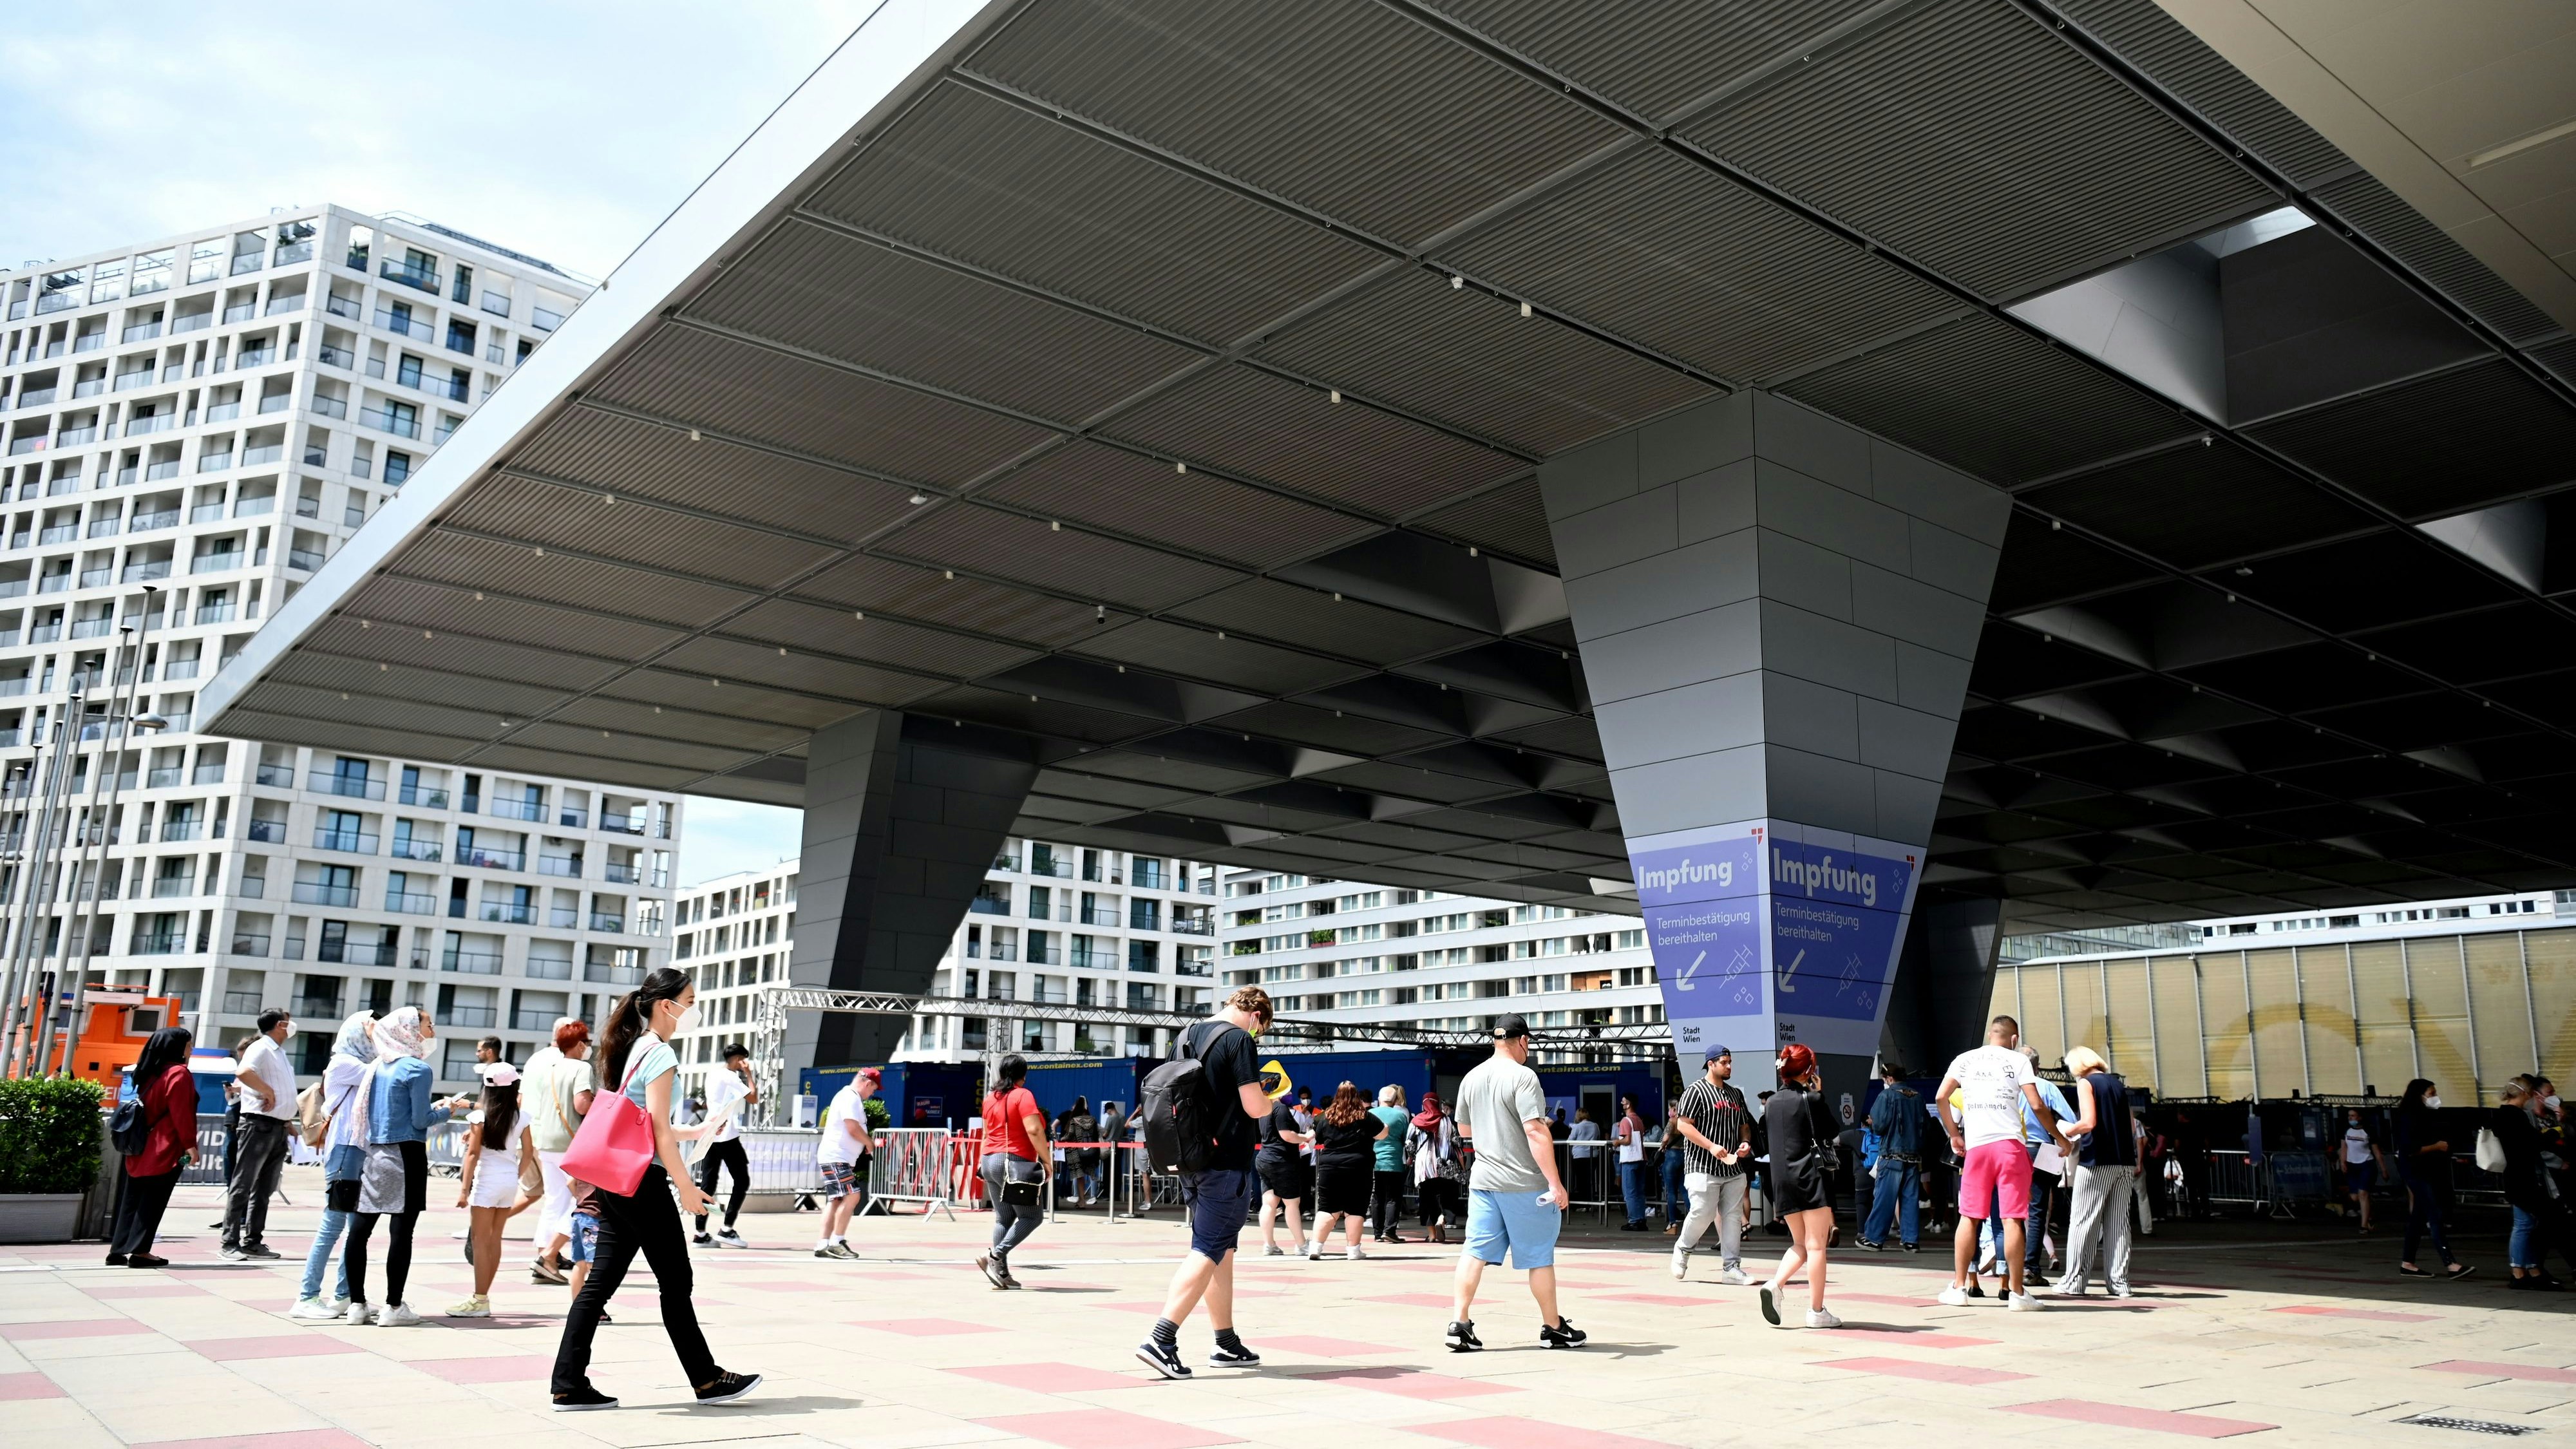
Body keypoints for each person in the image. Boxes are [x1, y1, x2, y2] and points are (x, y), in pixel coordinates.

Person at [551, 967, 760, 1410]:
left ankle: (568, 1383)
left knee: (599, 1284)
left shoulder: (636, 1048)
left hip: (616, 1181)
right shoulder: (661, 1054)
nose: (694, 1009)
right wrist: (685, 1186)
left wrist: (697, 1131)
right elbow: (658, 1129)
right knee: (676, 1280)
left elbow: (644, 1124)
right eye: (690, 999)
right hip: (642, 1184)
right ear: (667, 1005)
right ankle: (706, 1380)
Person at [1135, 985, 1273, 1380]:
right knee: (1208, 1248)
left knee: (1221, 1252)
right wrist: (1274, 1100)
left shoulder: (1186, 1035)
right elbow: (1253, 1106)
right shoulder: (1239, 1039)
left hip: (1192, 1158)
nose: (1258, 1034)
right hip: (1226, 1161)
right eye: (1262, 1028)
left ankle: (1226, 1342)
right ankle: (1161, 1339)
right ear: (1256, 1016)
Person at [1448, 1014, 1584, 1352]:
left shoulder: (1472, 1077)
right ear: (1523, 1041)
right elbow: (1536, 1130)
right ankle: (1553, 1328)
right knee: (1538, 1257)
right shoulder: (1524, 1077)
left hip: (1483, 1181)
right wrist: (1556, 1184)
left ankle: (1459, 1324)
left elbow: (1464, 1131)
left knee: (1474, 1252)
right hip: (1525, 1184)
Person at [340, 1006, 455, 1326]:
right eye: (427, 1024)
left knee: (360, 1231)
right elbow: (421, 1119)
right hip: (406, 1153)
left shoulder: (377, 1067)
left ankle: (357, 1304)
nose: (431, 1029)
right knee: (402, 1233)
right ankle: (393, 1306)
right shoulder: (417, 1069)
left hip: (375, 1152)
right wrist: (446, 1111)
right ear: (409, 1030)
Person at [1933, 1015, 2057, 1311]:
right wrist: (2059, 1139)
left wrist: (1954, 1134)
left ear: (1992, 1034)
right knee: (2012, 1218)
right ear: (2014, 1040)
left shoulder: (1964, 1059)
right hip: (2010, 1148)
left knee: (1969, 1218)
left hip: (1977, 1149)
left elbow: (1941, 1097)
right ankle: (2016, 1293)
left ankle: (1959, 1287)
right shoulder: (2018, 1061)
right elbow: (2037, 1105)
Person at [289, 1011, 375, 1318]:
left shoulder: (359, 1062)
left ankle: (344, 1293)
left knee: (355, 1228)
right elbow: (379, 1073)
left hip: (356, 1148)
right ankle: (307, 1296)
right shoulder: (344, 1062)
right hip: (344, 1149)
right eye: (370, 1030)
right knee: (333, 1224)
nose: (374, 1036)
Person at [1758, 1044, 1841, 1329]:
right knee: (1817, 1246)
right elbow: (1832, 1130)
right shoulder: (1812, 1100)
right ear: (1809, 1071)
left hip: (1782, 1179)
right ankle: (1817, 1311)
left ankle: (1776, 1285)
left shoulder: (1772, 1104)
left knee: (1800, 1243)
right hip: (1809, 1176)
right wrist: (1820, 1094)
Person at [2050, 1047, 2137, 1298]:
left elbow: (2089, 1122)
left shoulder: (2086, 1083)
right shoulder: (2117, 1084)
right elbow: (2131, 1126)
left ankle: (2074, 1282)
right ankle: (2120, 1283)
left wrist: (2066, 1131)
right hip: (2123, 1162)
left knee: (2083, 1222)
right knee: (2118, 1224)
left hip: (2097, 1160)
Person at [450, 1061, 535, 1316]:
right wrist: (515, 1175)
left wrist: (463, 1191)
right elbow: (529, 1153)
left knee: (479, 1240)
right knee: (495, 1238)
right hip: (509, 1182)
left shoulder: (479, 1116)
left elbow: (473, 1154)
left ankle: (480, 1299)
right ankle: (482, 1297)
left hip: (487, 1182)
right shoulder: (522, 1117)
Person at [108, 1027, 196, 1268]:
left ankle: (117, 1251)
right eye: (189, 1045)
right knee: (153, 1200)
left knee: (132, 1199)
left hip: (139, 1146)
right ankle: (140, 1253)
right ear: (177, 1048)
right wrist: (191, 1146)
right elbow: (182, 1114)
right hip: (164, 1147)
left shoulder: (148, 1072)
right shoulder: (179, 1073)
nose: (191, 1049)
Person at [1670, 1044, 1754, 1285]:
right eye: (1724, 1062)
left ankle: (1732, 1267)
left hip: (1733, 1166)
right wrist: (1711, 1146)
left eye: (1730, 1062)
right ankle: (1683, 1250)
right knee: (1703, 1212)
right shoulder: (1695, 1091)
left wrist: (1745, 1143)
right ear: (1711, 1064)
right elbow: (1683, 1125)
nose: (1729, 1066)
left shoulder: (1735, 1094)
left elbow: (1744, 1125)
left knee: (1733, 1216)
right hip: (1702, 1164)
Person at [220, 1008, 296, 1260]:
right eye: (287, 1021)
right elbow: (243, 1072)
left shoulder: (279, 1052)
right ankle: (229, 1242)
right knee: (243, 1184)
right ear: (279, 1025)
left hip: (276, 1126)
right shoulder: (262, 1047)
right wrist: (267, 1091)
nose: (291, 1024)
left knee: (264, 1188)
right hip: (258, 1125)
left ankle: (253, 1241)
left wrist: (287, 1118)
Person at [524, 1019, 595, 1285]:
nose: (588, 1047)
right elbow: (581, 1104)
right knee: (580, 1204)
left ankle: (544, 1258)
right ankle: (549, 1256)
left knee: (554, 1200)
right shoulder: (581, 1067)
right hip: (571, 1144)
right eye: (587, 1043)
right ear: (579, 1045)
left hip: (547, 1141)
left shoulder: (550, 1069)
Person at [976, 1056, 1048, 1289]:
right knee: (1032, 1217)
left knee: (1003, 1218)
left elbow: (986, 1134)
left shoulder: (990, 1098)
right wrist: (1047, 1162)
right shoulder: (1023, 1095)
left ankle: (1002, 1275)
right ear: (1023, 1074)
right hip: (1013, 1162)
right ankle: (995, 1256)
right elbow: (1034, 1129)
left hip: (989, 1161)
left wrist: (981, 1163)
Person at [2394, 1078, 2474, 1280]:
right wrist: (2437, 1147)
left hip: (2424, 1170)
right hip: (2416, 1171)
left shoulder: (2422, 1115)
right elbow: (2410, 1149)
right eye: (2431, 1094)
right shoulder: (2409, 1116)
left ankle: (2408, 1263)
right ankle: (2450, 1263)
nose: (2435, 1098)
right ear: (2420, 1095)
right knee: (2434, 1214)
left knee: (2418, 1218)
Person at [688, 1043, 759, 1249]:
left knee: (708, 1183)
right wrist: (748, 1074)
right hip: (726, 1133)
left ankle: (700, 1233)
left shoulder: (713, 1074)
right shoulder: (731, 1077)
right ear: (738, 1059)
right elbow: (753, 1098)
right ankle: (727, 1229)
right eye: (743, 1060)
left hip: (711, 1132)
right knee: (742, 1180)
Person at [1305, 1081, 1383, 1260]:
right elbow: (1382, 1133)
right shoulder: (1366, 1116)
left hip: (1329, 1168)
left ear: (1336, 1096)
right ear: (1356, 1096)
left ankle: (1316, 1248)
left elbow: (1315, 1136)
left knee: (1326, 1208)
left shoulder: (1325, 1117)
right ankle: (1353, 1251)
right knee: (1355, 1209)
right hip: (1359, 1168)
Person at [2496, 1077, 2559, 1291]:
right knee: (2525, 1225)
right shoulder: (2515, 1116)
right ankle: (2520, 1271)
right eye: (2532, 1094)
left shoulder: (2502, 1114)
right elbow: (2535, 1142)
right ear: (2524, 1093)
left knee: (2528, 1224)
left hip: (2516, 1176)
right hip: (2522, 1178)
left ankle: (2530, 1269)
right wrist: (2554, 1132)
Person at [814, 1068, 878, 1259]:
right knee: (853, 1196)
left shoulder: (846, 1096)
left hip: (835, 1156)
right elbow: (852, 1126)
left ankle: (823, 1244)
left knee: (835, 1200)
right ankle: (836, 1242)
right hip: (837, 1157)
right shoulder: (851, 1098)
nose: (872, 1094)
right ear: (867, 1083)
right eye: (873, 1089)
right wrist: (868, 1142)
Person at [1860, 1063, 1923, 1251]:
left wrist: (1872, 1122)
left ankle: (1874, 1238)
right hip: (1913, 1155)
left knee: (1885, 1198)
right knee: (1910, 1199)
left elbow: (1879, 1126)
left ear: (1888, 1079)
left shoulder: (1886, 1095)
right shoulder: (1918, 1097)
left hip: (1891, 1154)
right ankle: (1911, 1240)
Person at [1256, 1084, 1309, 1255]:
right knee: (1292, 1204)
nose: (1291, 1094)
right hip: (1282, 1161)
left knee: (1269, 1203)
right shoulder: (1281, 1109)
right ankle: (1301, 1244)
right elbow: (1287, 1135)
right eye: (1288, 1091)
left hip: (1265, 1158)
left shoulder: (1265, 1108)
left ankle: (1269, 1244)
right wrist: (1306, 1137)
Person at [1408, 1091, 1466, 1244]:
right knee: (1448, 1197)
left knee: (1427, 1199)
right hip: (1447, 1165)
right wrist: (1463, 1165)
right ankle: (1443, 1220)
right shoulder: (1447, 1121)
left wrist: (1411, 1157)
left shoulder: (1416, 1121)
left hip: (1425, 1168)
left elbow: (1410, 1144)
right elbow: (1457, 1144)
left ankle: (1432, 1234)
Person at [1368, 1085, 1412, 1243]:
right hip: (1394, 1162)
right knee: (1394, 1197)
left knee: (1377, 1197)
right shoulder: (1400, 1117)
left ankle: (1377, 1233)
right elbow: (1406, 1139)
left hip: (1374, 1162)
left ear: (1379, 1100)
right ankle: (1390, 1231)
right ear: (1394, 1101)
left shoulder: (1369, 1114)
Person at [2341, 1106, 2387, 1236]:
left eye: (2353, 1116)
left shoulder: (2368, 1131)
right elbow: (2344, 1148)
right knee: (2355, 1197)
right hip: (2352, 1165)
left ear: (2360, 1117)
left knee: (2363, 1193)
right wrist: (2343, 1162)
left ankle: (2364, 1226)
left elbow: (2377, 1152)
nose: (2351, 1118)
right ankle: (2370, 1213)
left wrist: (2383, 1169)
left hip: (2366, 1163)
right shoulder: (2346, 1131)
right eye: (2349, 1116)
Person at [1613, 1095, 1649, 1231]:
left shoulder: (1625, 1120)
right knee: (1639, 1191)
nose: (1622, 1104)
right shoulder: (1638, 1119)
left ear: (1628, 1104)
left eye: (1623, 1102)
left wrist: (1617, 1142)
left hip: (1630, 1160)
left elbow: (1627, 1140)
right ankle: (1641, 1219)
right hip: (1641, 1158)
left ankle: (1634, 1220)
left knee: (1629, 1192)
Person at [1659, 1099, 1689, 1234]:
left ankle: (1672, 1225)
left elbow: (1665, 1138)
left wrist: (1662, 1147)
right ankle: (1691, 1223)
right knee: (1685, 1190)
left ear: (1673, 1109)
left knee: (1671, 1192)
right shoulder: (1686, 1121)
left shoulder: (1672, 1121)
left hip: (1672, 1156)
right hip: (1684, 1156)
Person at [1068, 1096, 1101, 1206]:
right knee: (1092, 1174)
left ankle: (1080, 1199)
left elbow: (1070, 1135)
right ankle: (1093, 1196)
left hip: (1078, 1152)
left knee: (1079, 1175)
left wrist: (1062, 1140)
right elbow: (1100, 1132)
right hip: (1092, 1150)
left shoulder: (1075, 1120)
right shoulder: (1093, 1120)